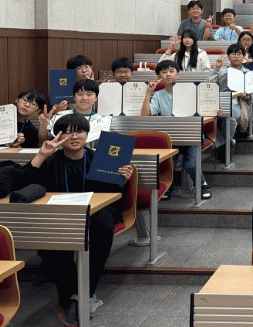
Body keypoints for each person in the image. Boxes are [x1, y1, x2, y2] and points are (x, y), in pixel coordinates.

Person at [24, 114, 134, 326]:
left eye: (79, 132)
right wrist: (40, 156)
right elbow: (30, 184)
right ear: (58, 136)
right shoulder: (51, 161)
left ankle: (82, 295)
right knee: (55, 236)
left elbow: (113, 193)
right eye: (67, 132)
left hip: (95, 212)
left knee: (102, 226)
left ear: (87, 134)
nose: (74, 137)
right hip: (59, 214)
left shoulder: (100, 159)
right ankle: (68, 297)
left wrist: (124, 180)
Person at [141, 60, 212, 199]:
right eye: (164, 72)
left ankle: (202, 184)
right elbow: (145, 115)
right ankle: (168, 187)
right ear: (158, 76)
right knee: (167, 164)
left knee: (191, 165)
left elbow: (204, 109)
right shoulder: (158, 95)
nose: (168, 74)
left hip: (192, 136)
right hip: (171, 137)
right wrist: (148, 93)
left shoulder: (190, 92)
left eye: (171, 71)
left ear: (178, 75)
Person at [211, 43, 253, 136]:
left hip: (240, 103)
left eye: (239, 54)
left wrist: (246, 97)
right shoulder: (222, 70)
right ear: (228, 57)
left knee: (232, 116)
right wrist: (217, 68)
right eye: (233, 54)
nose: (236, 56)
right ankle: (229, 140)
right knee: (229, 116)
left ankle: (227, 139)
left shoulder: (248, 73)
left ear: (243, 57)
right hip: (222, 101)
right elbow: (211, 85)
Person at [40, 79, 105, 148]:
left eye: (89, 94)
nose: (84, 98)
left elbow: (105, 147)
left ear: (96, 98)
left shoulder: (103, 121)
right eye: (80, 94)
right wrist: (43, 125)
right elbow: (43, 142)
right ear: (74, 97)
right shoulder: (60, 116)